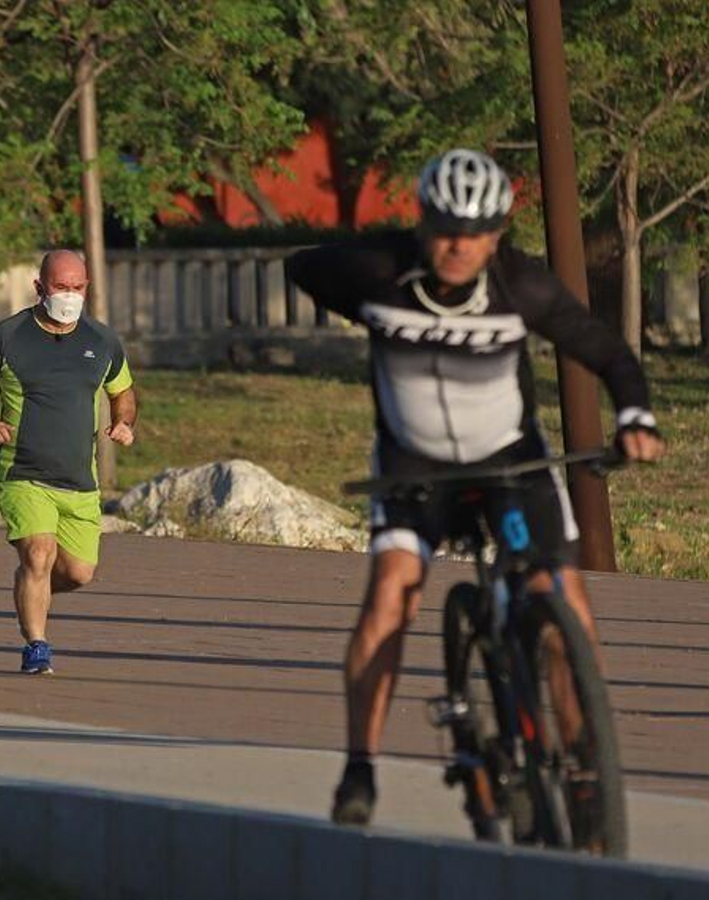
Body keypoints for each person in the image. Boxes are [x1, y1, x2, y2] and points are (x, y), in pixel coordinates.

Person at [285, 148, 666, 827]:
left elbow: (606, 351)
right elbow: (301, 265)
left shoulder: (521, 284)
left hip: (510, 466)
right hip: (413, 468)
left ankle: (585, 765)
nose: (459, 245)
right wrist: (366, 310)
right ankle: (360, 768)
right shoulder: (379, 271)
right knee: (390, 595)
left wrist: (636, 415)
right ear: (423, 223)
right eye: (444, 228)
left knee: (562, 602)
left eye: (477, 231)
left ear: (497, 234)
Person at [0, 249, 137, 676]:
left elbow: (122, 391)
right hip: (23, 473)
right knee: (38, 554)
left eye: (77, 288)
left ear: (87, 287)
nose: (69, 296)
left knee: (78, 573)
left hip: (79, 480)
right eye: (60, 287)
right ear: (40, 287)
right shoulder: (8, 336)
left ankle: (30, 589)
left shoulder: (102, 340)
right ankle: (37, 646)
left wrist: (125, 422)